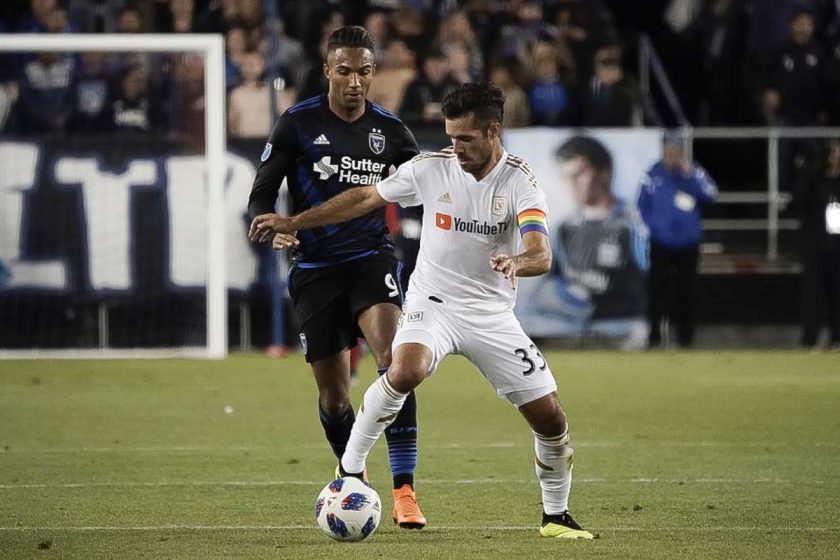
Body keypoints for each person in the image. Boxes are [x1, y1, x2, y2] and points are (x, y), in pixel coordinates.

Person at [251, 82, 594, 540]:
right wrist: (296, 220)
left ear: (494, 131)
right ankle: (350, 473)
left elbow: (541, 253)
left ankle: (556, 517)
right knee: (404, 367)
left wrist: (516, 262)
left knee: (550, 418)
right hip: (433, 301)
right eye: (450, 137)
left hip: (490, 314)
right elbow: (365, 197)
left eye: (465, 139)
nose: (455, 148)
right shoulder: (432, 168)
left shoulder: (520, 182)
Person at [246, 26, 426, 529]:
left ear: (373, 74)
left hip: (371, 260)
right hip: (315, 270)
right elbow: (262, 196)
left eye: (364, 72)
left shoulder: (390, 130)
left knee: (395, 363)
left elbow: (428, 185)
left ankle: (405, 490)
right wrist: (273, 228)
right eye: (344, 71)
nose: (354, 81)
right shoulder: (297, 123)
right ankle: (354, 478)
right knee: (333, 393)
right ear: (327, 70)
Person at [529, 136, 648, 349]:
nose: (572, 183)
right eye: (567, 176)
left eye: (580, 173)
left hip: (623, 328)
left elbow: (648, 276)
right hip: (573, 329)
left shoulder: (632, 225)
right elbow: (544, 289)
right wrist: (570, 300)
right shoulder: (565, 229)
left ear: (604, 173)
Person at [637, 135, 718, 348]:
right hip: (661, 242)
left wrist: (690, 177)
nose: (671, 157)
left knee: (687, 291)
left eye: (675, 152)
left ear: (681, 152)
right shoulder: (653, 174)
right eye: (668, 152)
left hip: (688, 243)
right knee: (657, 292)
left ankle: (686, 339)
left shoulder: (693, 172)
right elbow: (642, 204)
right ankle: (654, 338)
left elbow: (711, 194)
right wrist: (653, 227)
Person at [794, 138, 840, 348]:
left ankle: (837, 338)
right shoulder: (813, 180)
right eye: (832, 152)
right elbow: (798, 202)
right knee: (812, 295)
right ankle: (809, 339)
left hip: (837, 246)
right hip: (815, 245)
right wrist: (811, 170)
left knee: (837, 294)